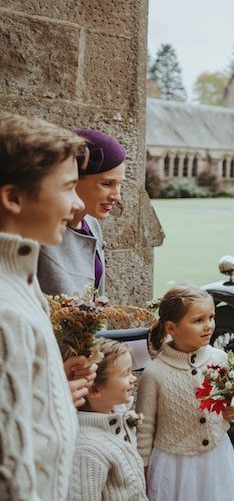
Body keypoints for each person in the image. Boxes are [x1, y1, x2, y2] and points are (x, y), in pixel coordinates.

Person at [0, 112, 89, 499]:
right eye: (68, 188)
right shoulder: (7, 310)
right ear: (13, 197)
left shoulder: (22, 277)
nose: (78, 204)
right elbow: (13, 476)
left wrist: (52, 386)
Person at [135, 285, 234, 500]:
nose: (208, 326)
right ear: (172, 328)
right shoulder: (154, 373)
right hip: (174, 465)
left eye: (211, 317)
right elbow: (144, 430)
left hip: (216, 456)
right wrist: (142, 471)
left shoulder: (220, 359)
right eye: (198, 320)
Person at [38, 128, 126, 296]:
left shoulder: (92, 224)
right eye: (107, 184)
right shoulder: (39, 234)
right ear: (73, 180)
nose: (117, 196)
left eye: (119, 184)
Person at [70, 337, 147, 501]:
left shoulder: (117, 417)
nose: (133, 378)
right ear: (95, 391)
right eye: (125, 374)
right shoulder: (87, 451)